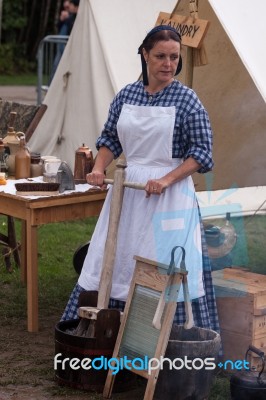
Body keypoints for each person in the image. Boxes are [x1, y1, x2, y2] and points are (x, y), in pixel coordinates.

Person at [61, 25, 220, 333]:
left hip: (169, 196)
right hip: (128, 191)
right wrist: (98, 168)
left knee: (162, 263)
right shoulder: (127, 95)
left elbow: (202, 153)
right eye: (160, 56)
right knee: (114, 258)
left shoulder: (187, 100)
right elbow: (110, 138)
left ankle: (161, 341)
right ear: (145, 55)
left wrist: (166, 179)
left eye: (174, 57)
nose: (168, 64)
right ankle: (106, 334)